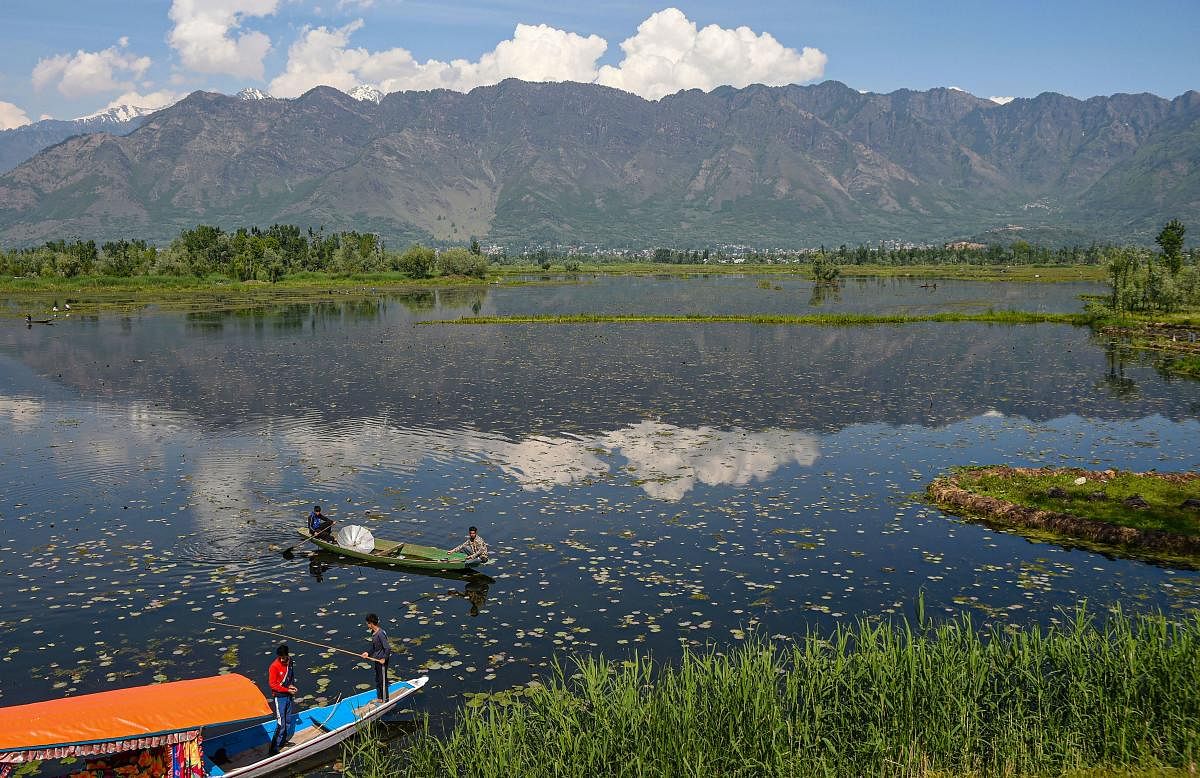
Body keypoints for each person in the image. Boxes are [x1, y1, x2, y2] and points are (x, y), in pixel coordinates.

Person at [267, 644, 298, 756]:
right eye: (281, 657)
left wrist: (291, 686)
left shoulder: (290, 661)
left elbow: (291, 676)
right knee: (281, 723)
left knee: (288, 719)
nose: (283, 659)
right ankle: (273, 749)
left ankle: (282, 741)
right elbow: (273, 685)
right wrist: (286, 690)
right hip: (280, 697)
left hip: (288, 695)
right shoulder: (274, 667)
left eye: (284, 657)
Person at [361, 613, 392, 702]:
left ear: (371, 623)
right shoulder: (373, 633)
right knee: (378, 679)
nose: (367, 625)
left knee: (382, 680)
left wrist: (384, 659)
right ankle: (380, 697)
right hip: (377, 660)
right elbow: (375, 647)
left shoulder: (380, 634)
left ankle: (385, 699)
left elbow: (387, 648)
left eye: (367, 623)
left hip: (382, 661)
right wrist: (368, 653)